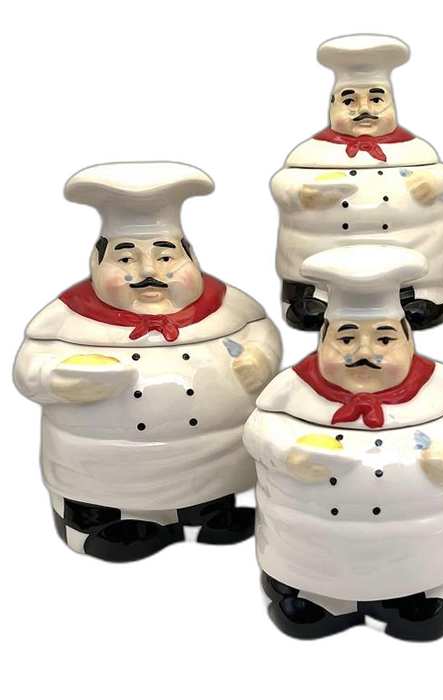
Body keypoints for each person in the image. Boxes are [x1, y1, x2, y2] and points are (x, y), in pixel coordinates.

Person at [14, 162, 282, 561]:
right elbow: (28, 368)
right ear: (96, 263)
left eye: (166, 257)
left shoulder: (229, 305)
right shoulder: (66, 318)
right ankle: (99, 527)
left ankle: (208, 514)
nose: (148, 272)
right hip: (102, 467)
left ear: (191, 257)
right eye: (125, 260)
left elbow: (262, 331)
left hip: (211, 460)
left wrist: (262, 357)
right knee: (100, 502)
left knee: (207, 489)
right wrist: (58, 380)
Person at [244, 245, 443, 640]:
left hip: (423, 552)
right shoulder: (291, 389)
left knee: (423, 609)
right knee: (305, 605)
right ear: (323, 339)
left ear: (408, 340)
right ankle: (319, 596)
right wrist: (287, 455)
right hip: (312, 552)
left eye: (384, 340)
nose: (364, 353)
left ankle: (422, 593)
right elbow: (259, 429)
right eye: (346, 339)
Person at [271, 34, 443, 331]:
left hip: (411, 249)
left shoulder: (416, 150)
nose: (364, 109)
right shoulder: (311, 153)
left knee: (426, 257)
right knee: (310, 273)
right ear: (332, 104)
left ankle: (421, 294)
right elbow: (282, 183)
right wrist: (303, 193)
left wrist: (436, 182)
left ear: (391, 103)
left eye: (376, 99)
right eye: (350, 100)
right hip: (325, 251)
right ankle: (314, 296)